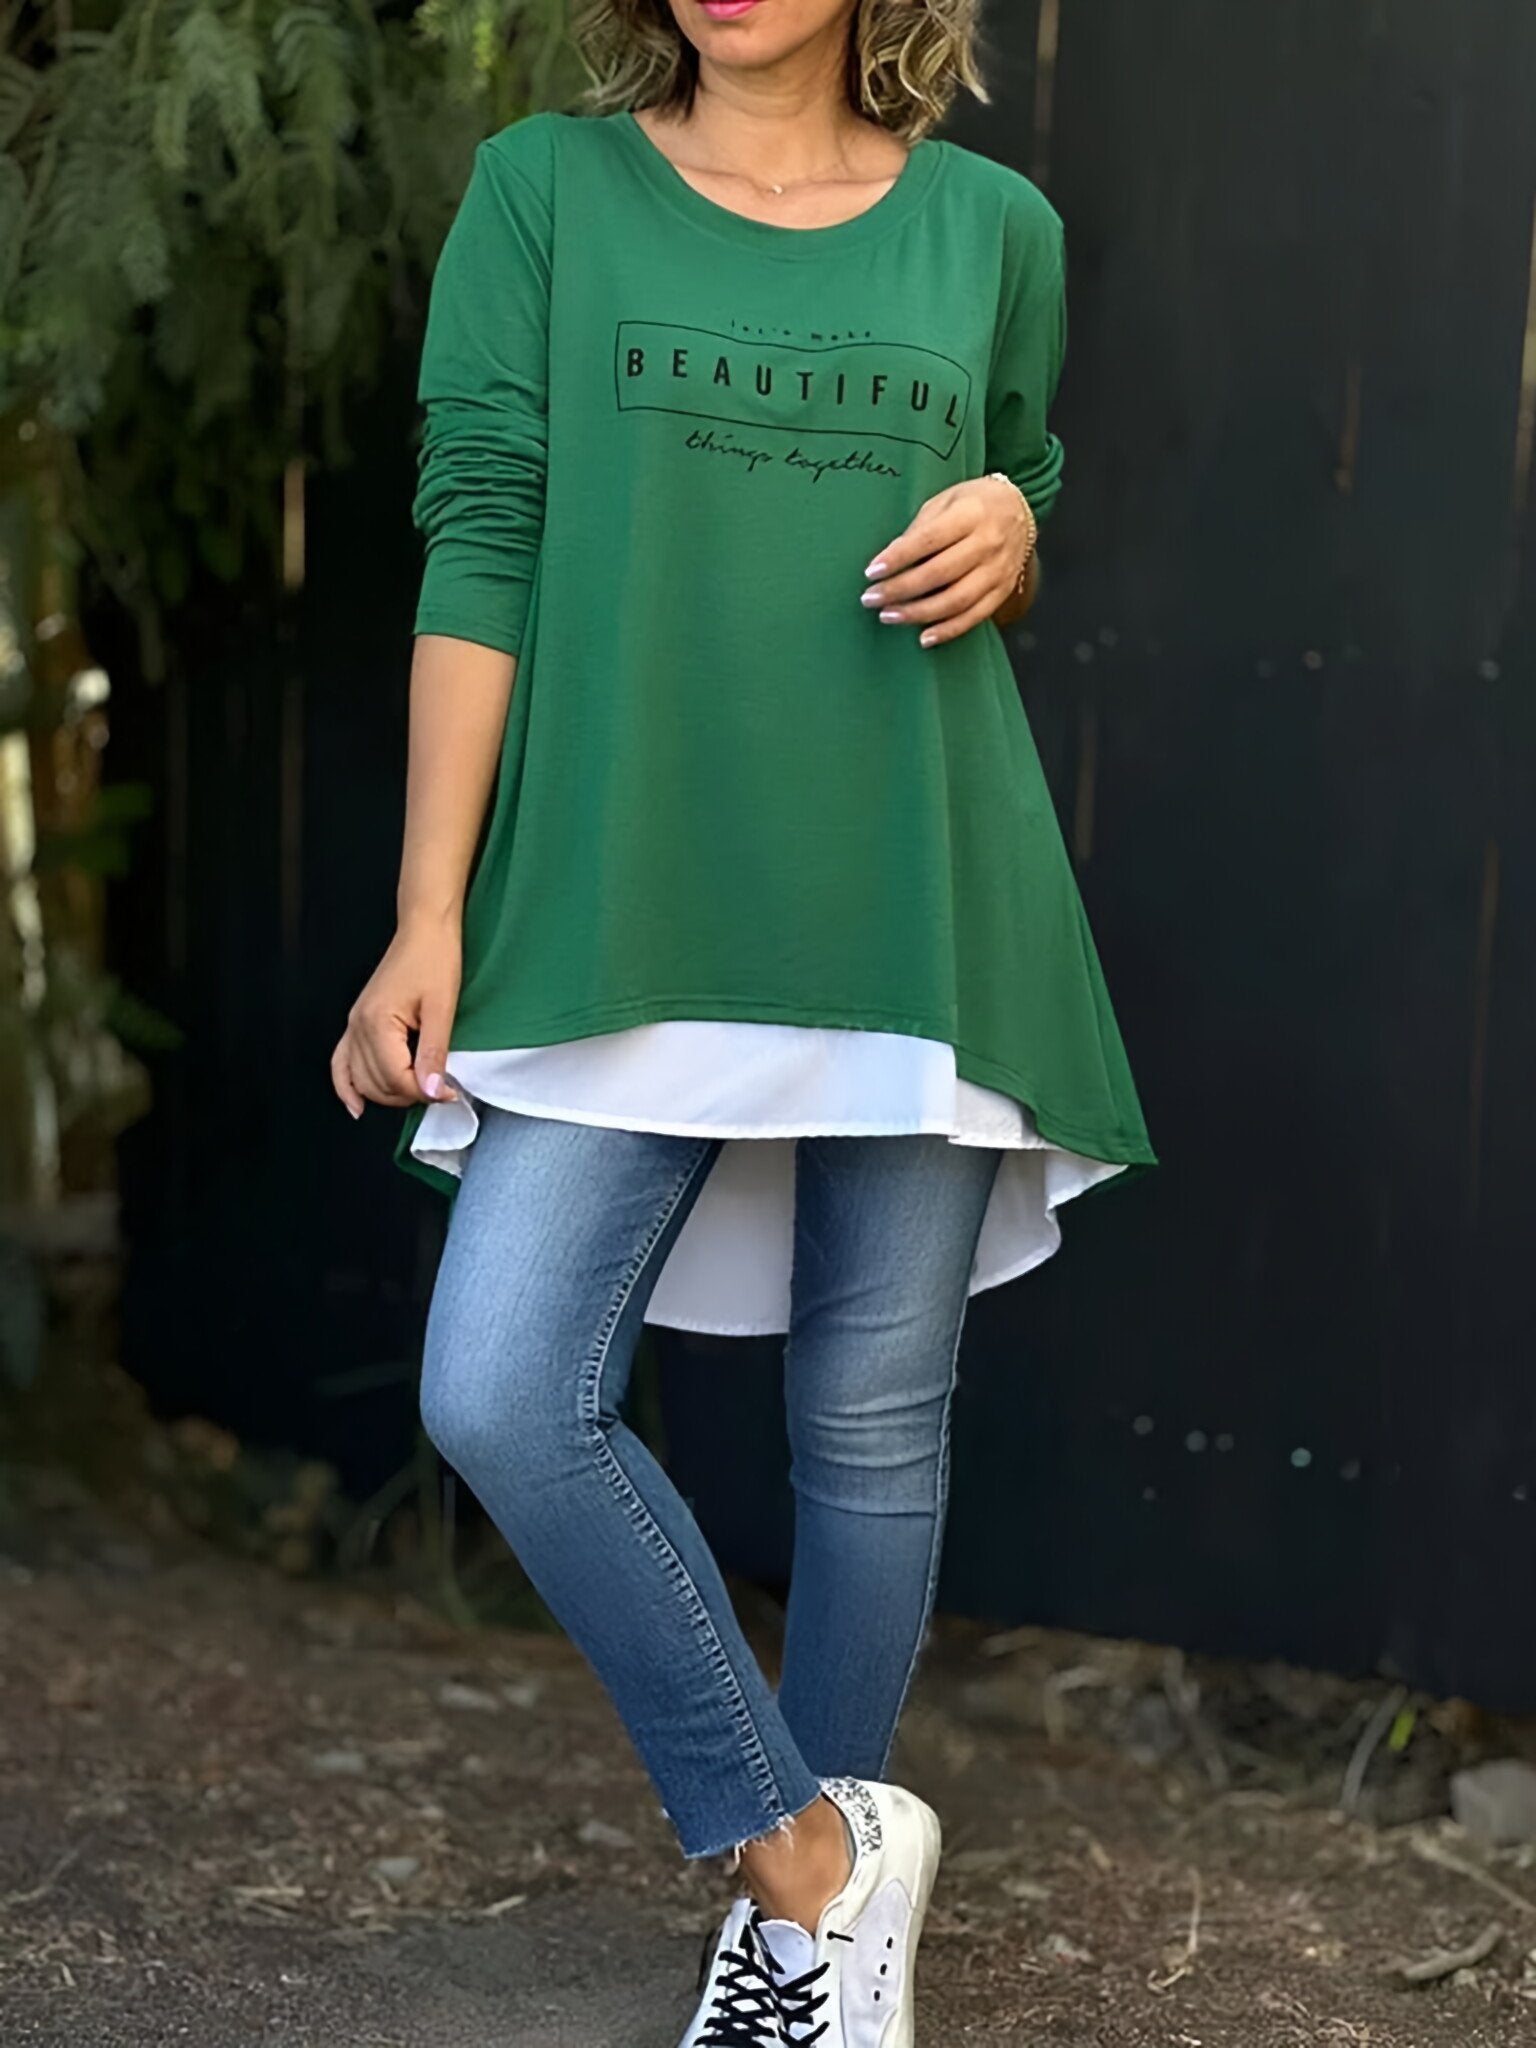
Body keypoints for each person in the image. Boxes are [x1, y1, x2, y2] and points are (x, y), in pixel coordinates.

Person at [331, 1, 1154, 2039]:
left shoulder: (995, 228)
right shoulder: (546, 192)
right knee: (502, 1382)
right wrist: (429, 909)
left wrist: (1017, 527)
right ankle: (812, 1858)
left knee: (870, 1425)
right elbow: (484, 535)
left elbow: (1014, 481)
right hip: (624, 885)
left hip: (912, 891)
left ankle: (807, 1967)